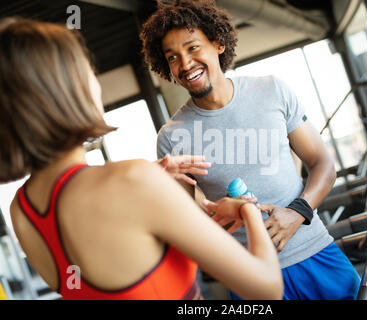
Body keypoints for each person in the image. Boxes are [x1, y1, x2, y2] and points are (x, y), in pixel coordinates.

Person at [0, 17, 283, 300]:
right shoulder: (133, 181)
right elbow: (267, 288)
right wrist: (248, 210)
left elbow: (123, 254)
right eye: (89, 72)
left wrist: (149, 183)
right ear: (67, 90)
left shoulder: (21, 211)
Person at [140, 0, 361, 300]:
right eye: (173, 57)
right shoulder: (171, 137)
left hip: (315, 253)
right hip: (253, 284)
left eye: (193, 48)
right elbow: (190, 223)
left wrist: (298, 211)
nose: (185, 64)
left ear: (217, 44)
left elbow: (322, 162)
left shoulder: (272, 89)